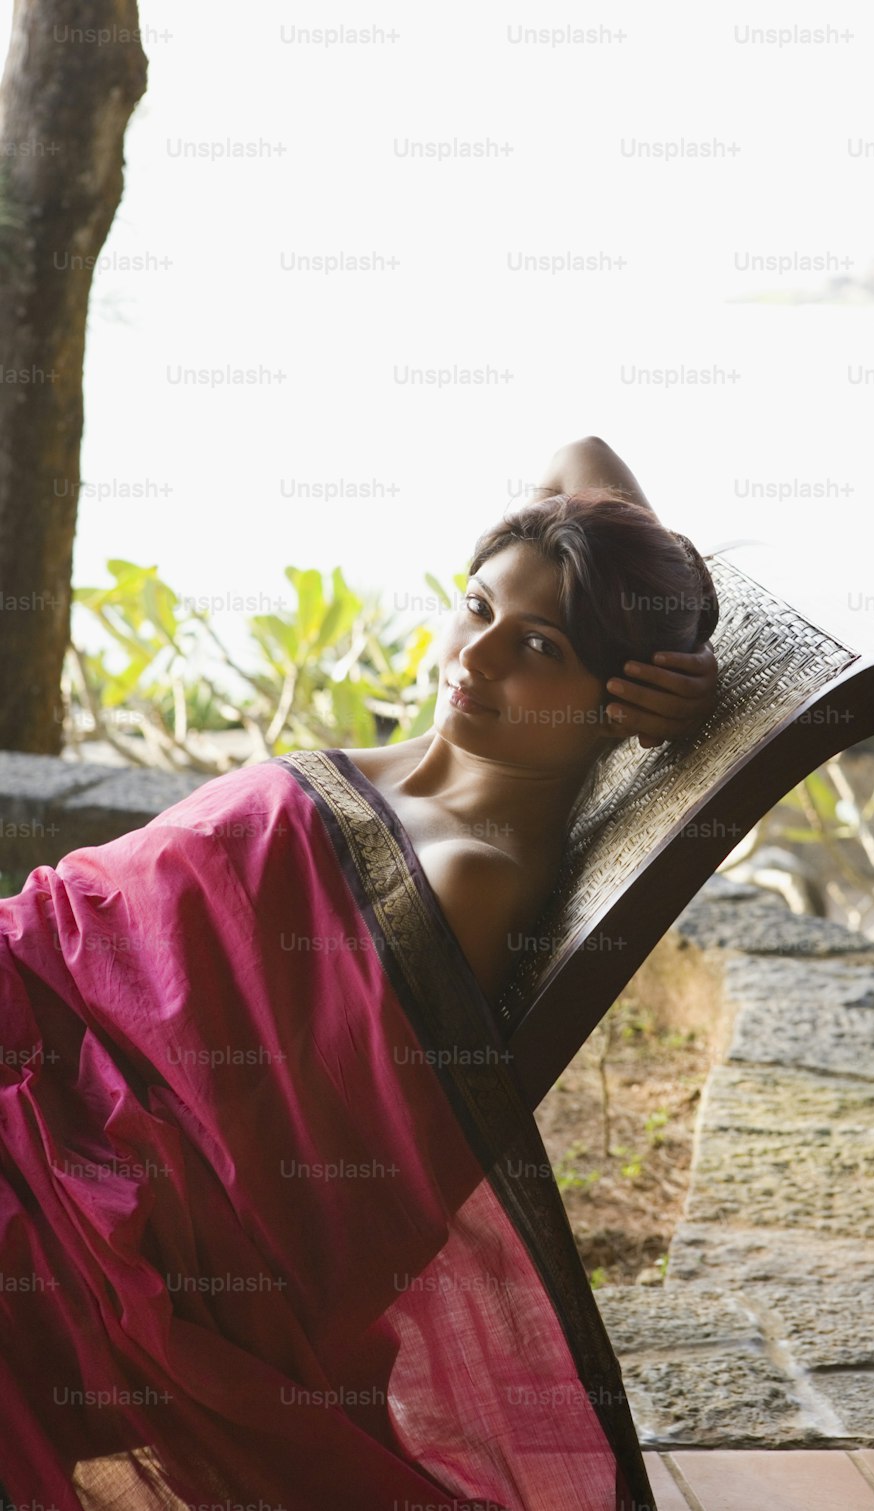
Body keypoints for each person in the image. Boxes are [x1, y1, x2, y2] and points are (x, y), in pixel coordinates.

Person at [0, 439, 718, 1510]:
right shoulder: (445, 774)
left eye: (537, 647)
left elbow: (295, 1168)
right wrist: (667, 636)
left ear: (611, 693)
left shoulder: (464, 866)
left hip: (63, 1119)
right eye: (476, 607)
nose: (474, 660)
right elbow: (585, 455)